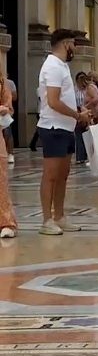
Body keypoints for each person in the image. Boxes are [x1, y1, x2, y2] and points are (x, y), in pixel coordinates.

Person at [37, 29, 91, 235]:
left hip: (66, 126)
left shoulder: (62, 66)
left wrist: (78, 112)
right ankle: (46, 219)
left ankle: (59, 216)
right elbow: (53, 101)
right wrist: (77, 116)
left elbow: (65, 98)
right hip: (53, 127)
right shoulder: (52, 66)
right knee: (51, 175)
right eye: (74, 44)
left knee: (63, 175)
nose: (75, 48)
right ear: (66, 44)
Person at [0, 71, 16, 237]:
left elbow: (8, 106)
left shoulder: (1, 82)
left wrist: (5, 110)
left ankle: (6, 222)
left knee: (1, 182)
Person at [3, 77, 16, 164]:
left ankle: (10, 153)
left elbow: (13, 97)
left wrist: (7, 107)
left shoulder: (9, 83)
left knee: (7, 132)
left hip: (4, 110)